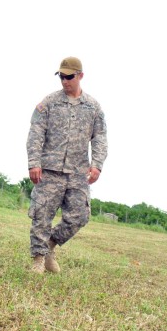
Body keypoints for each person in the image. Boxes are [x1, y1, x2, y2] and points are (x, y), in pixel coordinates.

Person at [26, 56, 108, 274]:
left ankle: (50, 244)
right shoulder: (49, 103)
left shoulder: (93, 107)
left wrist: (97, 164)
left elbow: (100, 137)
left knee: (79, 216)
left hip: (78, 173)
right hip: (49, 170)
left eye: (69, 77)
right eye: (61, 76)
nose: (64, 81)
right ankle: (38, 259)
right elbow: (35, 133)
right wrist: (34, 162)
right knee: (41, 214)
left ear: (80, 76)